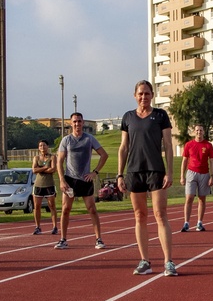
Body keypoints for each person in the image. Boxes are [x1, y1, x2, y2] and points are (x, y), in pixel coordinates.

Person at [117, 80, 178, 276]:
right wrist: (120, 174)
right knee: (139, 216)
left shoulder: (161, 115)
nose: (144, 97)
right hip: (134, 171)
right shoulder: (128, 117)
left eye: (147, 93)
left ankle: (168, 261)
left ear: (152, 95)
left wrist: (169, 171)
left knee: (160, 215)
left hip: (156, 171)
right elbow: (124, 147)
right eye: (140, 93)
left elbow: (168, 145)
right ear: (135, 95)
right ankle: (145, 261)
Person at [56, 112, 108, 250]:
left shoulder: (89, 139)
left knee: (92, 209)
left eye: (79, 121)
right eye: (74, 122)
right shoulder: (66, 140)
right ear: (70, 123)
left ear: (83, 123)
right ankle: (63, 239)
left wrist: (95, 172)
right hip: (70, 180)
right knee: (66, 209)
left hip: (85, 179)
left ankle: (98, 239)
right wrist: (62, 180)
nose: (77, 124)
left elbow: (104, 155)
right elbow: (59, 161)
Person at [179, 124, 213, 232]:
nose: (199, 132)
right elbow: (184, 160)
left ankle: (199, 222)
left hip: (204, 173)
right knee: (189, 198)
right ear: (194, 132)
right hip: (191, 172)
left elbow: (212, 161)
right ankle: (186, 223)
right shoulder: (189, 145)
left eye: (201, 130)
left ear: (203, 132)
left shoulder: (208, 145)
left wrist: (212, 176)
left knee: (202, 198)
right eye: (197, 130)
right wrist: (182, 176)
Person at [31, 139, 59, 236]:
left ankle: (55, 226)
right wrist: (44, 168)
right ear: (39, 148)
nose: (42, 147)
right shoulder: (36, 158)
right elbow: (34, 170)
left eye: (44, 145)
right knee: (37, 206)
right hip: (38, 185)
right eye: (40, 146)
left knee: (51, 206)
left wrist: (40, 169)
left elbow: (53, 169)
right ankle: (37, 226)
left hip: (49, 184)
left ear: (47, 146)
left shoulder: (52, 157)